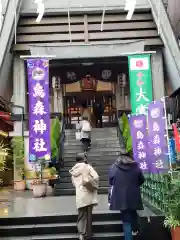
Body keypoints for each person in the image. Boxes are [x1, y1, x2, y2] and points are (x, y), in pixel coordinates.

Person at [108, 150, 145, 240]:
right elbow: (142, 179)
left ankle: (129, 237)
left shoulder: (114, 167)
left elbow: (111, 181)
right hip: (134, 196)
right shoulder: (135, 166)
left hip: (121, 198)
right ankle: (136, 229)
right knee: (133, 212)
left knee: (126, 220)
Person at [69, 153, 99, 240]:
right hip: (88, 193)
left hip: (79, 194)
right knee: (89, 214)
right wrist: (92, 183)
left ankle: (81, 234)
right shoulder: (87, 167)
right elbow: (96, 177)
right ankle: (89, 233)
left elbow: (74, 183)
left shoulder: (73, 170)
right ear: (84, 159)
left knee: (81, 215)